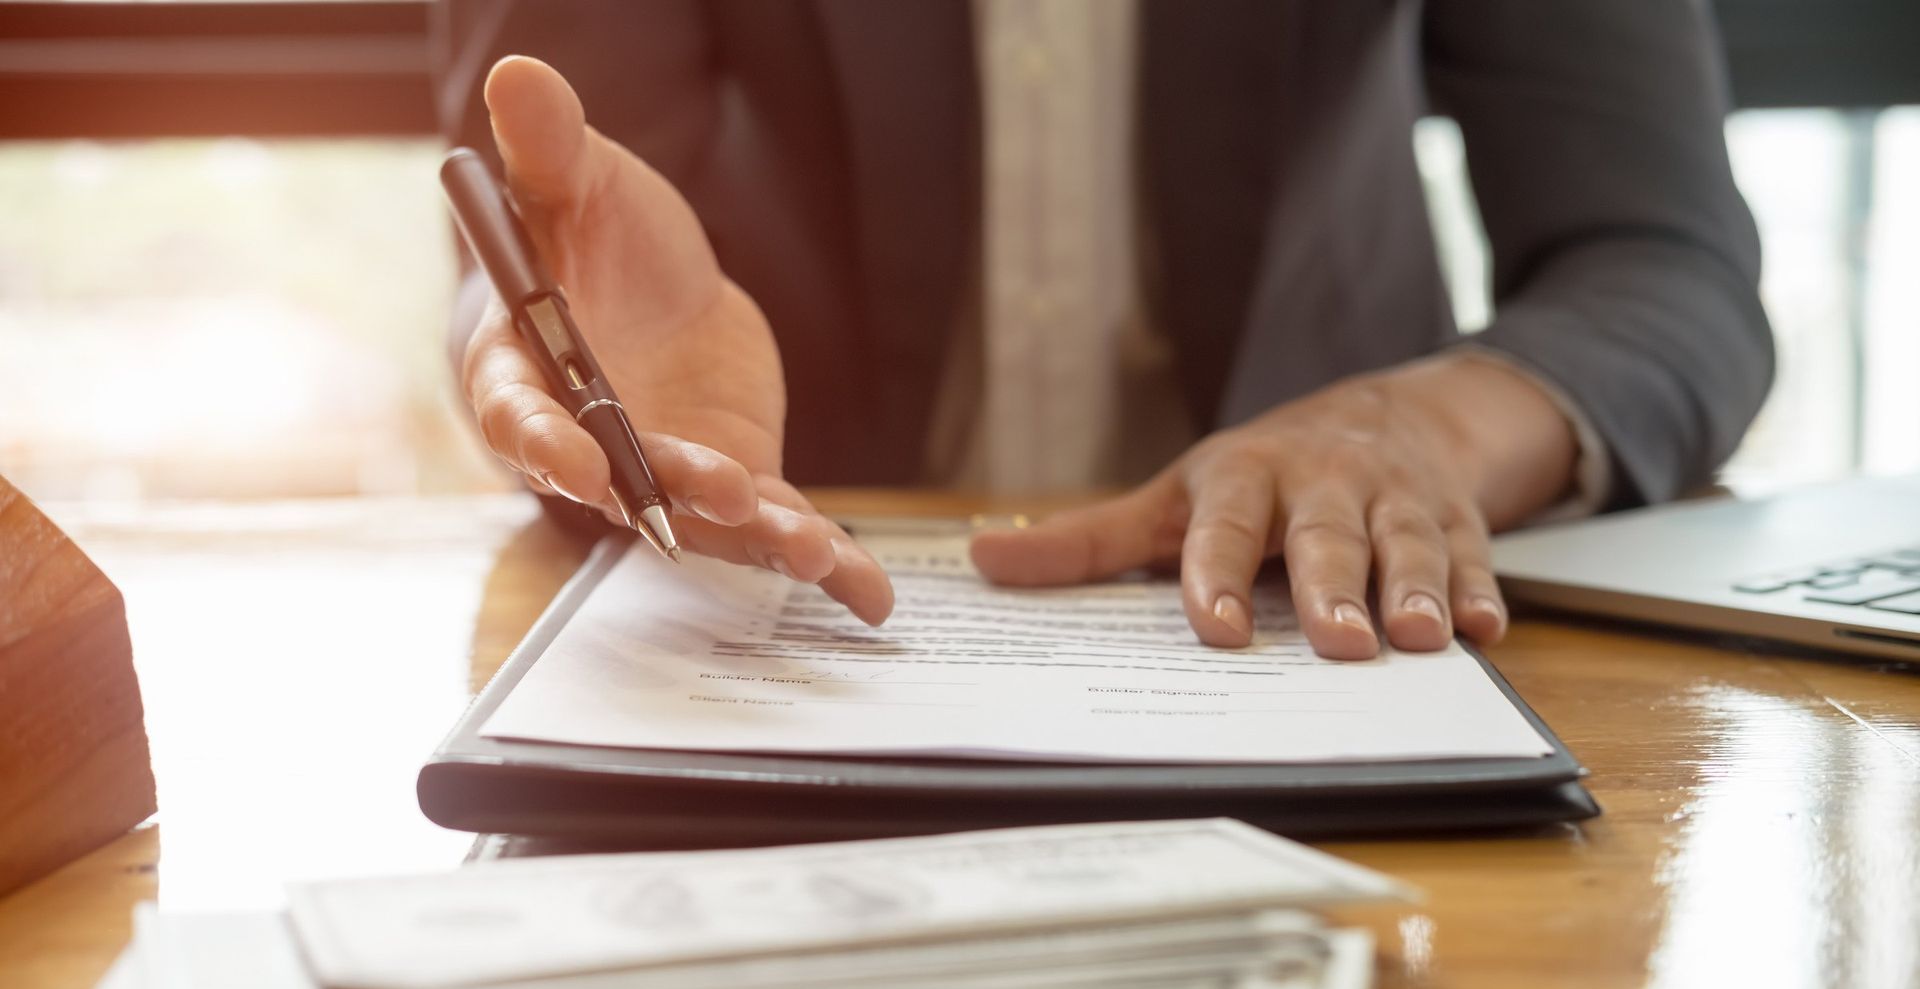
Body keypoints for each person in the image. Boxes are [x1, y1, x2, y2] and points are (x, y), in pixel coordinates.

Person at [434, 0, 1772, 658]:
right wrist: (571, 368)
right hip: (784, 614)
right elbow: (546, 209)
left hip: (1320, 623)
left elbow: (1663, 267)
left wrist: (1426, 429)